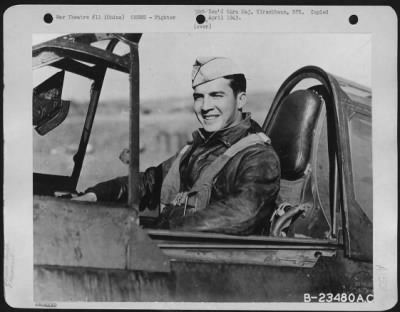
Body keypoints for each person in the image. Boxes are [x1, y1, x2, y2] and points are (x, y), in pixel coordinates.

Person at [74, 57, 280, 235]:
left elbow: (241, 214)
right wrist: (97, 194)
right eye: (199, 97)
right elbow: (150, 182)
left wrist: (162, 230)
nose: (206, 107)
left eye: (217, 95)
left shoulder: (258, 157)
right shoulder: (198, 147)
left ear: (240, 99)